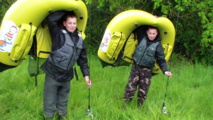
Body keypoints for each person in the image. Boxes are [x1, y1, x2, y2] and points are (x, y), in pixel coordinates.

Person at [41, 11, 91, 119]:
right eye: (70, 23)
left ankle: (61, 117)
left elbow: (83, 60)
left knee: (63, 102)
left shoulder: (80, 40)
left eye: (74, 23)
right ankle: (48, 118)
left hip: (66, 75)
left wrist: (86, 76)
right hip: (52, 73)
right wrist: (68, 9)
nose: (72, 25)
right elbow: (51, 20)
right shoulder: (57, 33)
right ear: (64, 23)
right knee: (49, 101)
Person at [123, 26, 172, 107]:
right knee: (130, 87)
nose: (151, 35)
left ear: (157, 34)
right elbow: (140, 26)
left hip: (147, 71)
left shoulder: (158, 46)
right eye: (150, 33)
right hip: (136, 67)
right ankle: (125, 105)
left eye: (154, 34)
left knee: (143, 91)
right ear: (146, 32)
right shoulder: (142, 37)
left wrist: (165, 70)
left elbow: (161, 60)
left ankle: (139, 107)